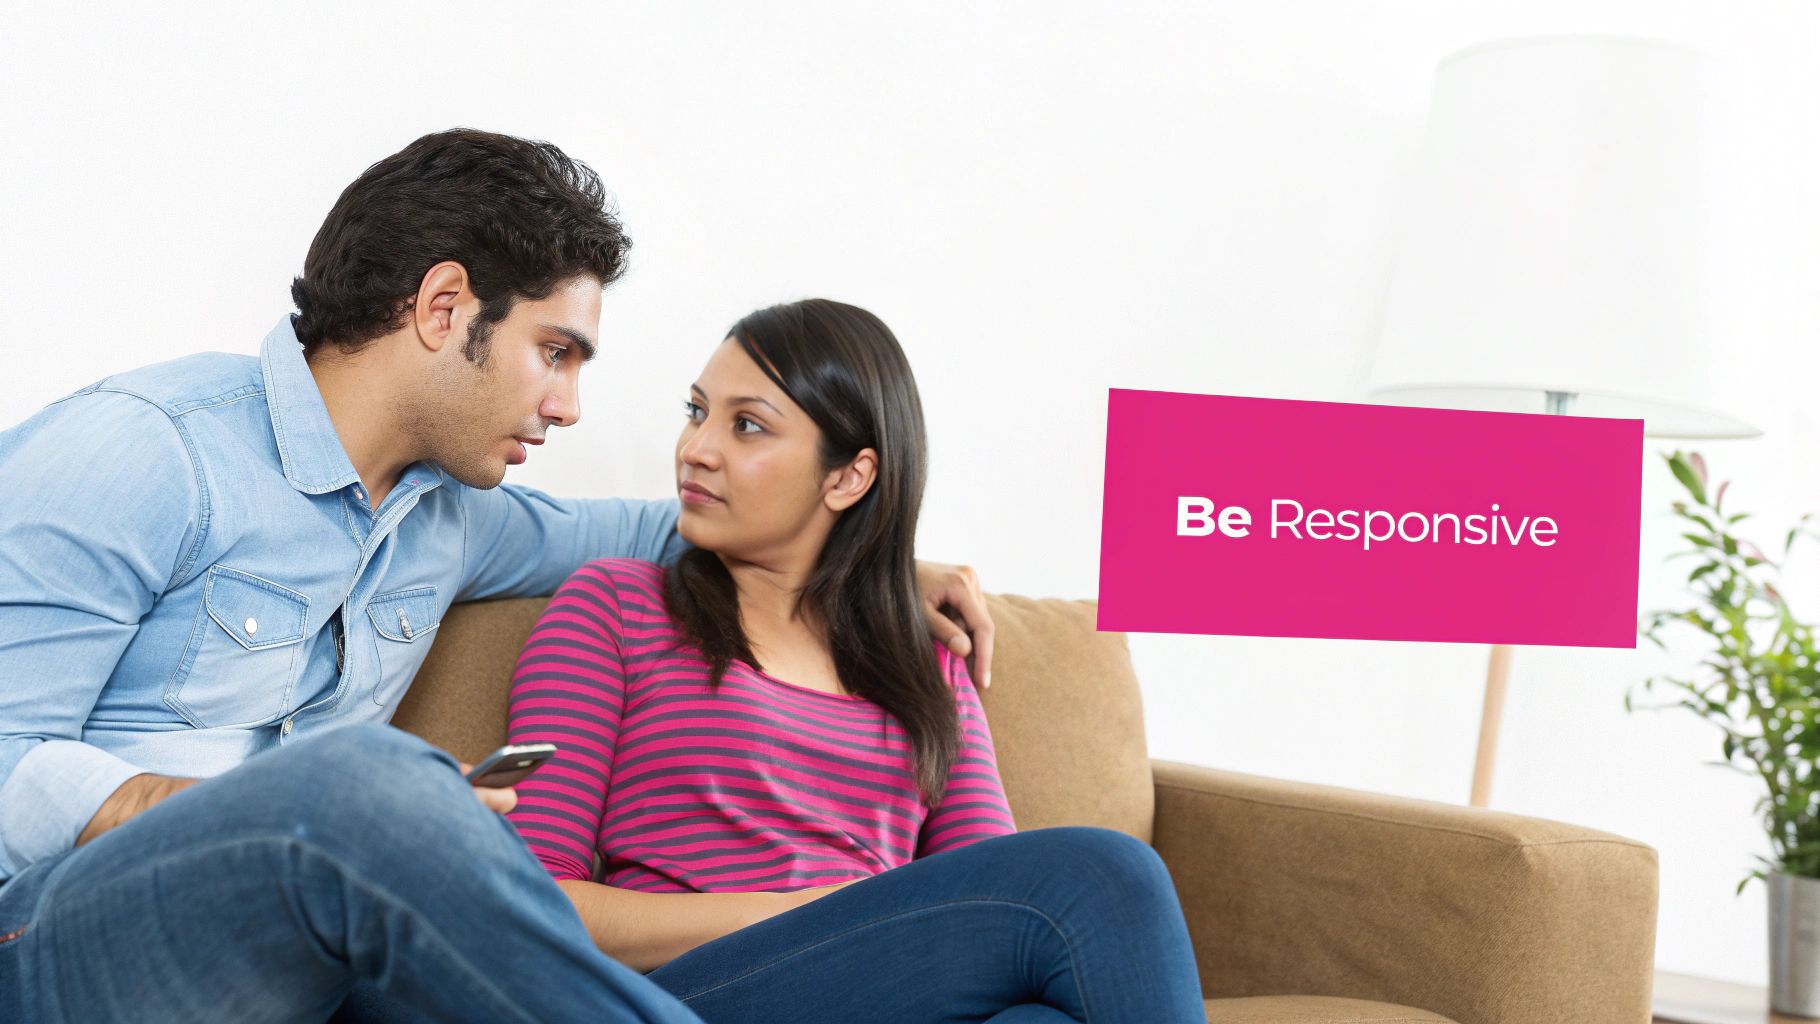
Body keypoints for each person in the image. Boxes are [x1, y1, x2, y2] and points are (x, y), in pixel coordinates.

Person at [0, 129, 994, 1023]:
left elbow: (679, 527)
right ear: (443, 308)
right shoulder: (146, 449)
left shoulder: (451, 523)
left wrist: (881, 563)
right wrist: (218, 808)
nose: (566, 405)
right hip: (60, 943)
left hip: (302, 968)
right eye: (553, 352)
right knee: (372, 780)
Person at [504, 299, 1205, 1023]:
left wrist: (863, 917)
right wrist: (824, 911)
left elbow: (986, 890)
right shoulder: (616, 607)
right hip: (692, 994)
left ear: (849, 478)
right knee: (1103, 877)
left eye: (746, 425)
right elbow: (531, 906)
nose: (696, 448)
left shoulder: (924, 658)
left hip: (875, 992)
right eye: (697, 411)